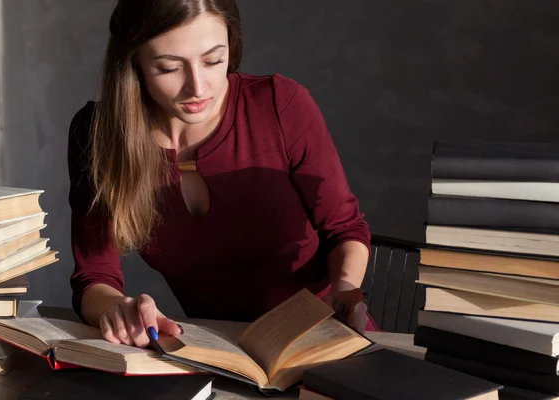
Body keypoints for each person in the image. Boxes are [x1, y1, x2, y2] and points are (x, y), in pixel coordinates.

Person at [68, 0, 377, 349]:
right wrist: (119, 309)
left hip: (326, 339)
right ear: (134, 61)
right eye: (169, 68)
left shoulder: (280, 105)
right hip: (220, 352)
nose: (198, 88)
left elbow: (345, 228)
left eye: (214, 60)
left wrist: (346, 289)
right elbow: (94, 275)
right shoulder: (98, 135)